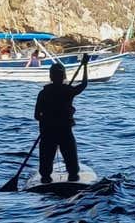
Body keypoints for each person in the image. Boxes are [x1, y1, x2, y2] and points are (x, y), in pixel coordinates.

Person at [34, 54, 91, 184]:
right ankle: (72, 180)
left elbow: (36, 115)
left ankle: (46, 181)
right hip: (64, 132)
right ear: (63, 76)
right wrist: (85, 66)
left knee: (45, 172)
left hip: (47, 133)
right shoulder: (68, 91)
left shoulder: (44, 93)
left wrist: (48, 119)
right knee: (73, 171)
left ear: (51, 76)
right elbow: (84, 84)